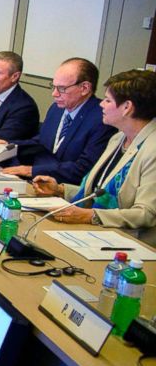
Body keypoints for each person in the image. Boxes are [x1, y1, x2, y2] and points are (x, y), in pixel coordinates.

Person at [31, 69, 156, 243]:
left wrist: (89, 215)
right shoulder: (118, 138)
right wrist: (60, 190)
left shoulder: (152, 149)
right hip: (95, 234)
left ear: (127, 107)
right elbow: (99, 193)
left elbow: (146, 214)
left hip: (128, 243)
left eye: (107, 100)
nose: (101, 105)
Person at [0, 58, 115, 184]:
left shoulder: (102, 120)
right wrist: (9, 145)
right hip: (40, 182)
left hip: (66, 189)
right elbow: (42, 140)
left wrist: (31, 171)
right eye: (53, 86)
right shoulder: (57, 108)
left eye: (61, 88)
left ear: (84, 88)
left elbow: (84, 168)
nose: (54, 94)